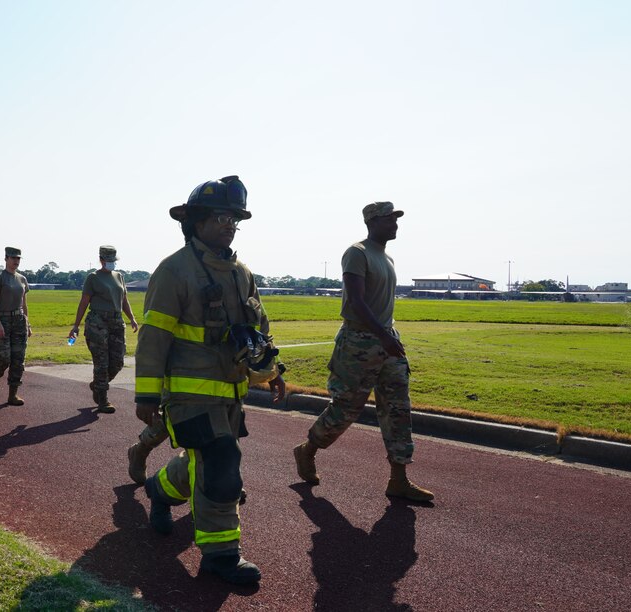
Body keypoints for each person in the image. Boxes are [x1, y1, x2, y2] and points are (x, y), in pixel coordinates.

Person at [135, 175, 286, 585]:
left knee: (203, 463)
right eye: (221, 216)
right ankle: (221, 558)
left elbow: (259, 328)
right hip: (188, 395)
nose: (229, 224)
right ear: (196, 222)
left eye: (235, 218)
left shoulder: (242, 272)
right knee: (222, 468)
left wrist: (272, 371)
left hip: (231, 392)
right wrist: (147, 393)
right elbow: (154, 336)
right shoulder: (173, 271)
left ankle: (160, 488)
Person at [293, 201, 434, 502]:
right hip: (359, 342)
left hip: (387, 341)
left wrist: (389, 337)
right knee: (346, 408)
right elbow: (356, 301)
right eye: (389, 219)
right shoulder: (356, 252)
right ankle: (307, 450)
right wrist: (382, 336)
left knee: (397, 409)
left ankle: (399, 479)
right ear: (372, 222)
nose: (395, 224)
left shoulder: (389, 258)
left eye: (396, 219)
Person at [68, 245, 138, 413]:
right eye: (108, 261)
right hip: (97, 323)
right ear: (101, 260)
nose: (111, 263)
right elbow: (84, 302)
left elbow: (124, 300)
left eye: (113, 261)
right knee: (102, 362)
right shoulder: (93, 278)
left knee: (118, 362)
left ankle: (97, 385)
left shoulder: (119, 276)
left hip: (116, 322)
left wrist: (132, 318)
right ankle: (103, 400)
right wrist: (76, 326)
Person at [0, 246, 30, 405]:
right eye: (13, 258)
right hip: (2, 319)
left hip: (19, 321)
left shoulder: (22, 279)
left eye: (18, 258)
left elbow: (24, 304)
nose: (16, 261)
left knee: (18, 359)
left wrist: (27, 323)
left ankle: (13, 394)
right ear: (6, 259)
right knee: (4, 357)